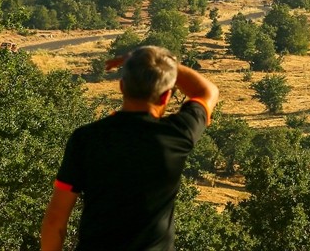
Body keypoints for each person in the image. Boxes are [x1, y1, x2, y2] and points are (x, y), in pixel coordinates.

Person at [40, 45, 219, 251]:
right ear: (166, 97)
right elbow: (207, 91)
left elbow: (55, 221)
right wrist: (166, 66)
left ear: (122, 86)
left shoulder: (86, 138)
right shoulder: (177, 135)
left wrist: (138, 63)